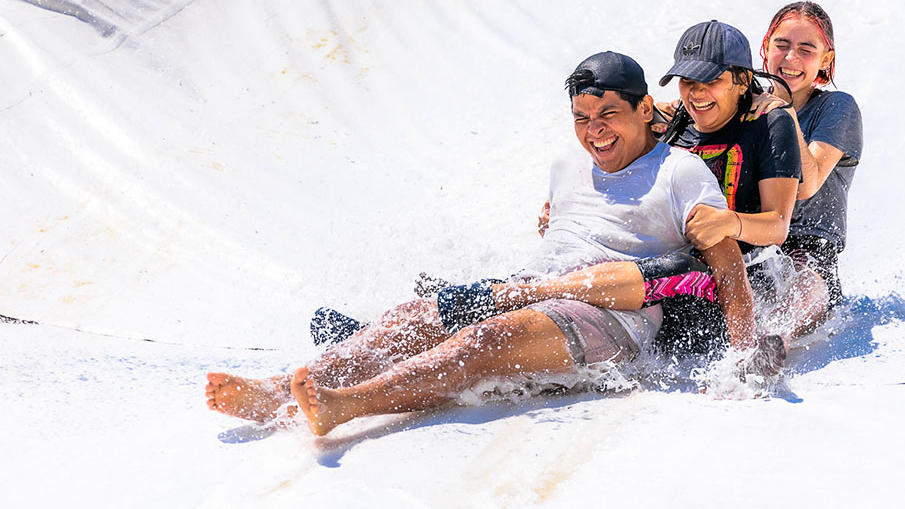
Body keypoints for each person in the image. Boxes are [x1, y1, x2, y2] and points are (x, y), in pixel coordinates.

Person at [206, 51, 768, 436]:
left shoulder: (682, 171)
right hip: (528, 291)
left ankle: (348, 406)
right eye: (581, 118)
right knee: (415, 316)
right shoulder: (566, 164)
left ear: (645, 109)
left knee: (487, 338)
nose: (594, 130)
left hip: (613, 315)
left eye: (609, 115)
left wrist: (744, 357)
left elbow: (723, 263)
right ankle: (281, 390)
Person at [656, 19, 830, 347]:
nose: (697, 92)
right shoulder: (676, 125)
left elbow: (777, 225)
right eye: (687, 81)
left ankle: (769, 344)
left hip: (751, 275)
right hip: (684, 275)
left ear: (743, 80)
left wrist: (726, 222)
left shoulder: (768, 122)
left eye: (713, 80)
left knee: (807, 284)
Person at [758, 2, 863, 309]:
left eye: (806, 49)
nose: (791, 58)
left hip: (810, 250)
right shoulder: (748, 106)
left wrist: (784, 110)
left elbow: (807, 183)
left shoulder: (837, 108)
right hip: (753, 240)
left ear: (825, 59)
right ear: (766, 46)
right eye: (782, 45)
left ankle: (775, 341)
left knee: (804, 286)